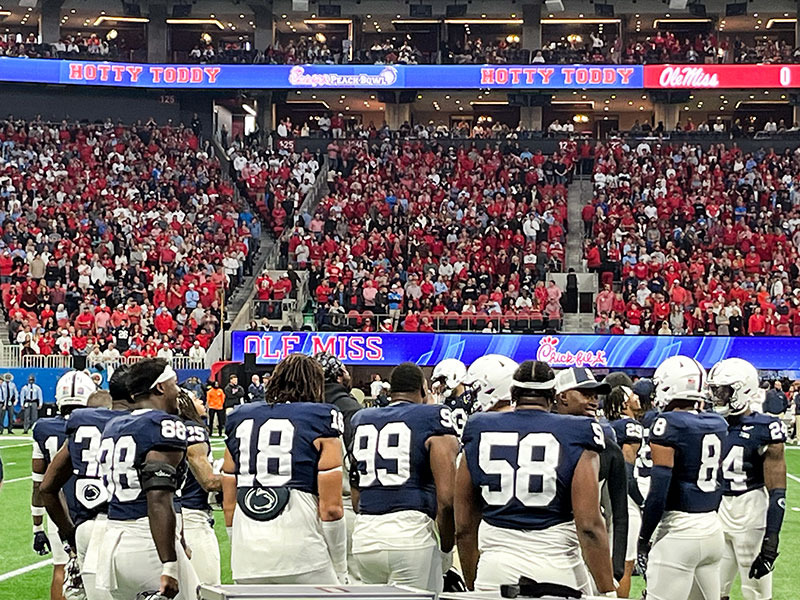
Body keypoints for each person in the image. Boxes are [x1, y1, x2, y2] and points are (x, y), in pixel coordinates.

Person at [455, 360, 615, 595]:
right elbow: (589, 524)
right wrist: (607, 591)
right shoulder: (579, 430)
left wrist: (473, 583)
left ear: (513, 394)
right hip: (559, 566)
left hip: (496, 566)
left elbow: (464, 525)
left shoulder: (479, 427)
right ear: (552, 395)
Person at [222, 353, 347, 584]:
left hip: (247, 553)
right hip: (302, 551)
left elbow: (229, 503)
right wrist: (340, 568)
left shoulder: (239, 417)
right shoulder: (321, 416)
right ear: (316, 383)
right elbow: (331, 509)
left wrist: (238, 546)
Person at [350, 362, 459, 593]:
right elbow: (447, 500)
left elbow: (356, 493)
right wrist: (447, 547)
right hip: (410, 537)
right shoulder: (433, 415)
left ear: (389, 392)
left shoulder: (362, 418)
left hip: (365, 537)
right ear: (423, 388)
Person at [95, 358, 199, 600]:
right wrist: (169, 565)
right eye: (175, 384)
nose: (179, 391)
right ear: (161, 387)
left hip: (113, 541)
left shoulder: (114, 424)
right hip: (148, 542)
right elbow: (158, 497)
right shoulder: (162, 425)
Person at [637, 356, 728, 600]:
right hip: (712, 529)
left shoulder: (668, 423)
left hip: (679, 531)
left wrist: (644, 537)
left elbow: (658, 491)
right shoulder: (717, 423)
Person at [40, 367, 132, 600]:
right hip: (126, 523)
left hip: (79, 518)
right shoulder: (132, 425)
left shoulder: (68, 426)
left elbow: (44, 486)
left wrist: (66, 531)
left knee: (76, 580)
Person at [708, 358, 787, 600]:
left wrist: (771, 538)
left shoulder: (765, 428)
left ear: (743, 390)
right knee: (711, 591)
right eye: (715, 390)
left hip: (750, 511)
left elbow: (777, 491)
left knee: (756, 593)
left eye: (724, 391)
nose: (717, 397)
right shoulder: (708, 423)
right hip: (717, 510)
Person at [554, 367, 627, 588]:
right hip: (544, 549)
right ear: (563, 396)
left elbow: (618, 513)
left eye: (595, 396)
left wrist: (615, 568)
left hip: (588, 554)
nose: (593, 401)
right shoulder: (540, 439)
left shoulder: (608, 447)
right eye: (585, 394)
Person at [32, 370, 97, 600]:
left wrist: (37, 527)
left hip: (57, 508)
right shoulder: (98, 424)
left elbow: (38, 483)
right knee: (98, 573)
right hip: (92, 507)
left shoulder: (43, 428)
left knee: (62, 567)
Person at [313, 352, 363, 579]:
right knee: (351, 580)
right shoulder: (350, 408)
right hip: (344, 503)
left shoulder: (305, 406)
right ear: (339, 376)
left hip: (307, 506)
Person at [603, 373, 645, 598]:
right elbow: (627, 472)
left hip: (605, 498)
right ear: (622, 402)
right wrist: (643, 501)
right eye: (632, 395)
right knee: (624, 565)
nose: (636, 398)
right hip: (625, 502)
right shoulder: (628, 426)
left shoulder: (606, 424)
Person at [177, 388, 223, 586]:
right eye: (195, 398)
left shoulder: (168, 428)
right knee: (208, 589)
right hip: (192, 518)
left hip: (172, 514)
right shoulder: (192, 429)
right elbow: (209, 481)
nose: (201, 400)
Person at [430, 358, 476, 437]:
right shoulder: (440, 400)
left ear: (454, 376)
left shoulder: (474, 397)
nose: (440, 385)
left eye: (442, 381)